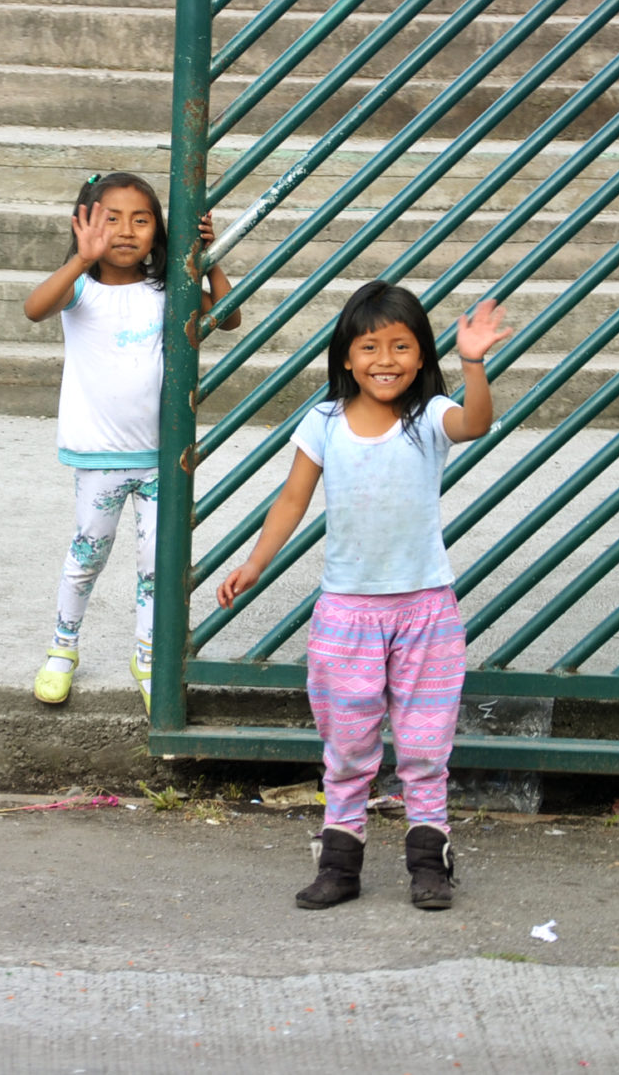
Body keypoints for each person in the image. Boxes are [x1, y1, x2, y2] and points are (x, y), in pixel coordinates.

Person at [217, 281, 514, 911]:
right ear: (346, 357)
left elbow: (477, 422)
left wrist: (475, 364)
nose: (386, 359)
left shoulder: (430, 416)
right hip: (347, 614)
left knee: (426, 744)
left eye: (402, 346)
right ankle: (340, 863)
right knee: (348, 745)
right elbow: (293, 498)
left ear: (423, 356)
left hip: (425, 611)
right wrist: (254, 564)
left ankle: (430, 863)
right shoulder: (323, 421)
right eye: (371, 346)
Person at [22, 172, 238, 713]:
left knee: (157, 564)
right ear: (85, 223)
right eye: (110, 218)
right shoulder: (80, 288)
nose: (125, 230)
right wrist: (79, 257)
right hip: (99, 457)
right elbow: (33, 307)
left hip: (162, 457)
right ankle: (62, 650)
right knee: (87, 555)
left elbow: (229, 317)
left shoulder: (168, 289)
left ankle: (148, 655)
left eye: (141, 220)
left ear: (159, 231)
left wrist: (206, 256)